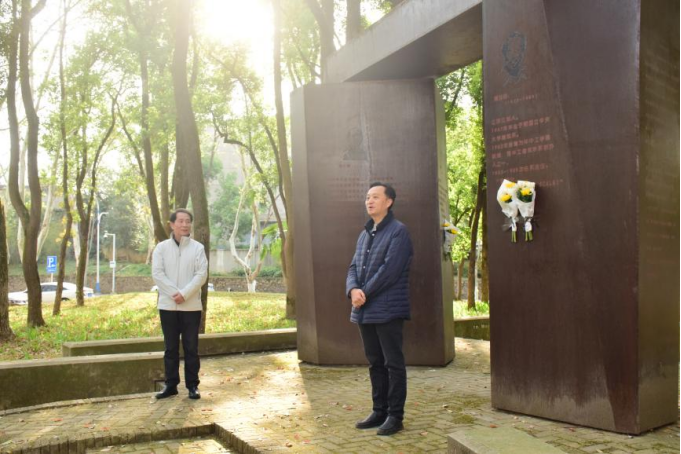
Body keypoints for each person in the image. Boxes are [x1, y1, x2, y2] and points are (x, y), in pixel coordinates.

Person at [346, 182, 413, 436]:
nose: (369, 201)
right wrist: (353, 290)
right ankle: (379, 411)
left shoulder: (398, 232)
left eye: (375, 197)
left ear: (389, 201)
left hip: (388, 308)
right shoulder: (364, 234)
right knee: (375, 362)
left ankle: (395, 416)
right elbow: (353, 267)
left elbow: (390, 270)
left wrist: (363, 293)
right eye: (367, 197)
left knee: (393, 363)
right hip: (365, 308)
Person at [152, 208, 208, 400]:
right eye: (181, 221)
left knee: (191, 348)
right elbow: (157, 273)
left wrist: (184, 294)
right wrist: (173, 293)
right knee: (170, 348)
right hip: (167, 306)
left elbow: (201, 274)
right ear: (172, 224)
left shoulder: (197, 248)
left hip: (191, 307)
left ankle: (192, 385)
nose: (185, 224)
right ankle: (171, 385)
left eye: (188, 221)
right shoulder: (161, 248)